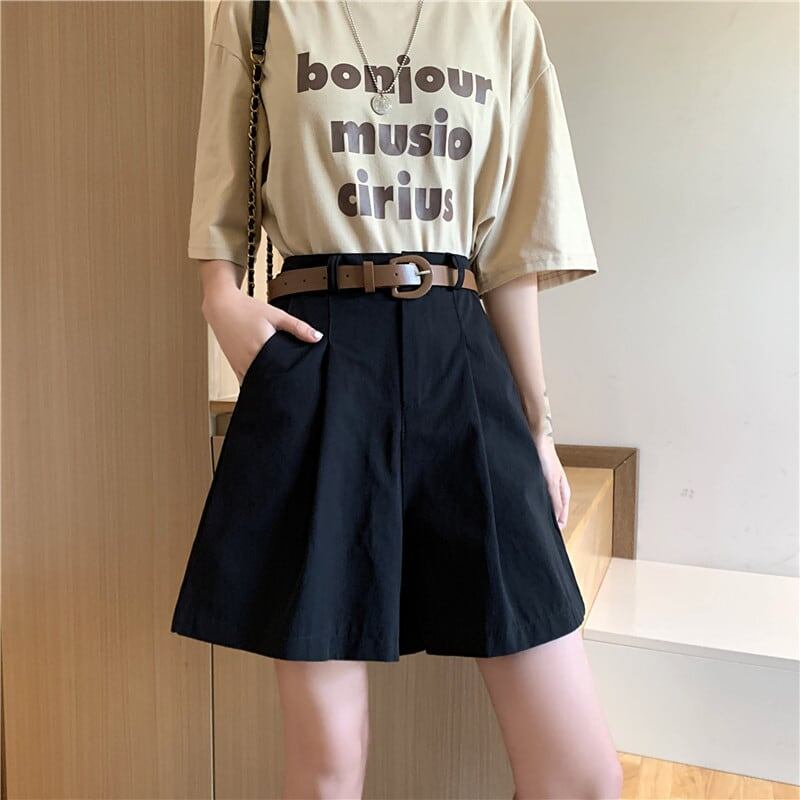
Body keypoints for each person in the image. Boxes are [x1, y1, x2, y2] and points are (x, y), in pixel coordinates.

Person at [171, 1, 622, 797]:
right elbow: (223, 186)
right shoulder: (264, 13)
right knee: (328, 763)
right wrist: (220, 300)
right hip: (320, 353)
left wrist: (539, 427)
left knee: (582, 777)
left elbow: (509, 252)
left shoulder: (501, 21)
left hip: (460, 347)